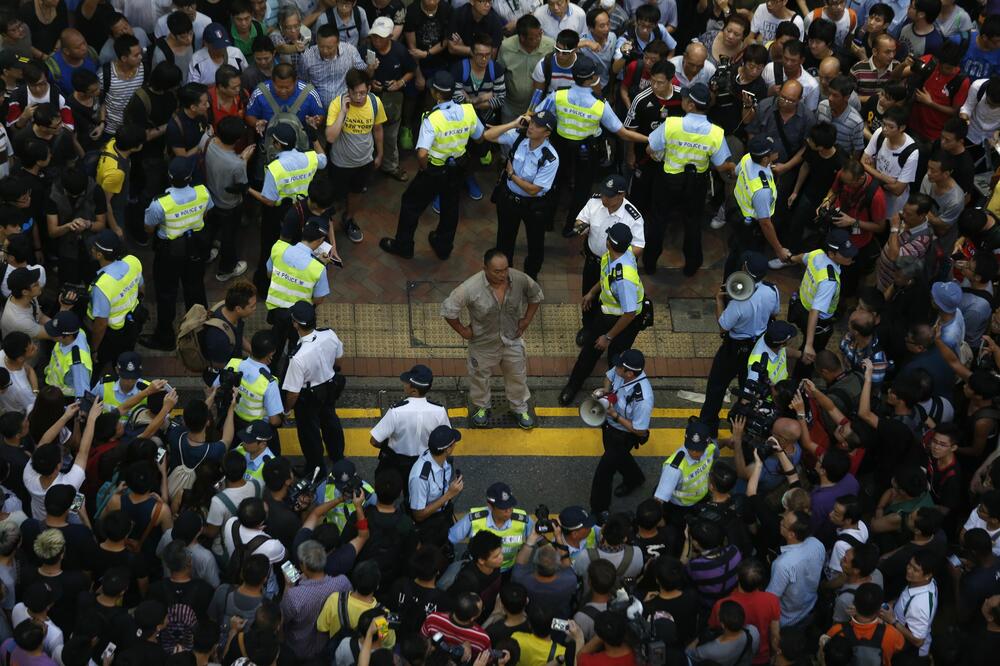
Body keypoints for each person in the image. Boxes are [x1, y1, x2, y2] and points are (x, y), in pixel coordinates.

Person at [380, 71, 483, 261]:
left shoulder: (432, 119)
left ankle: (404, 246)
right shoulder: (468, 110)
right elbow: (479, 136)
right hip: (457, 168)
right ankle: (443, 246)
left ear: (436, 93)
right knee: (450, 207)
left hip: (434, 170)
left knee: (411, 204)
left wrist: (424, 168)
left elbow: (422, 153)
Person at [540, 58, 648, 237]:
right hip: (587, 151)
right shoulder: (599, 104)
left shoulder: (557, 95)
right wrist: (649, 139)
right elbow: (623, 133)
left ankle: (546, 222)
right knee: (582, 189)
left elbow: (539, 114)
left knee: (554, 183)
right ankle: (570, 227)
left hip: (559, 147)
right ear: (592, 78)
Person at [441, 248, 543, 429]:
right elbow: (449, 309)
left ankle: (519, 408)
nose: (503, 275)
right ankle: (482, 407)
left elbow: (536, 295)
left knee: (517, 376)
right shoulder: (470, 288)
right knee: (479, 377)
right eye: (497, 271)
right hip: (482, 343)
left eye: (505, 269)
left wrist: (527, 320)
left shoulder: (519, 279)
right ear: (485, 269)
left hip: (512, 340)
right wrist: (463, 331)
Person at [647, 80, 732, 276]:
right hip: (696, 184)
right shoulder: (716, 133)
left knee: (658, 221)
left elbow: (650, 148)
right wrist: (731, 166)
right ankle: (692, 265)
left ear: (691, 105)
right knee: (693, 224)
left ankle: (650, 262)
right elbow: (721, 164)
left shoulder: (671, 124)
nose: (682, 100)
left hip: (668, 181)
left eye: (685, 98)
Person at [558, 223, 646, 407]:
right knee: (589, 352)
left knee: (617, 359)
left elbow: (629, 314)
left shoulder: (625, 279)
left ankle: (612, 393)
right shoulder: (616, 255)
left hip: (625, 323)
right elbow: (607, 277)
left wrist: (608, 337)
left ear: (609, 242)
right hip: (607, 314)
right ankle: (573, 386)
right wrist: (592, 292)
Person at [701, 253, 780, 437]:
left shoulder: (739, 302)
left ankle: (708, 427)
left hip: (734, 348)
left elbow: (723, 326)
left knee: (716, 387)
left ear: (744, 268)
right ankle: (741, 426)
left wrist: (719, 300)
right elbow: (775, 312)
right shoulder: (772, 290)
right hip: (757, 347)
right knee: (748, 389)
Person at [139, 156, 211, 351]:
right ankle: (201, 333)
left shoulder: (160, 203)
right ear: (190, 177)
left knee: (166, 294)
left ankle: (165, 338)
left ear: (169, 177)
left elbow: (149, 228)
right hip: (195, 248)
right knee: (195, 289)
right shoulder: (203, 192)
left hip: (168, 253)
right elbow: (205, 214)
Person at [482, 111, 558, 280]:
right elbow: (487, 135)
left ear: (547, 133)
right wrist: (513, 124)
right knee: (504, 241)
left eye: (538, 126)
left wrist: (511, 175)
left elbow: (533, 190)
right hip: (509, 200)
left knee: (535, 245)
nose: (532, 127)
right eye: (533, 122)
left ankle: (530, 277)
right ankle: (504, 275)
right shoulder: (519, 137)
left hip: (534, 206)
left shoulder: (550, 158)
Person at [281, 300, 345, 476]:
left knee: (309, 434)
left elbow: (293, 393)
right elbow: (339, 358)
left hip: (309, 397)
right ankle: (337, 455)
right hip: (330, 386)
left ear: (296, 324)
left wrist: (287, 410)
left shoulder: (298, 357)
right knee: (330, 420)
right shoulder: (329, 334)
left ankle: (316, 469)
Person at [787, 229, 858, 380]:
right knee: (811, 352)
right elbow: (815, 311)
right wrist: (809, 344)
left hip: (800, 305)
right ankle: (800, 378)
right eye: (845, 254)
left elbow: (802, 257)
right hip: (815, 321)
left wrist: (790, 258)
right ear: (831, 254)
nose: (850, 257)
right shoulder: (829, 281)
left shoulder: (817, 254)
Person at [588, 349, 653, 512]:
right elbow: (608, 377)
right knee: (620, 458)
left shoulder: (643, 399)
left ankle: (599, 510)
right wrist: (606, 391)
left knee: (603, 472)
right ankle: (634, 478)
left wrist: (615, 415)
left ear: (629, 373)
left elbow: (640, 431)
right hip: (609, 426)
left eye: (619, 367)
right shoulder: (621, 370)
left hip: (623, 435)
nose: (615, 368)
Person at [325, 68, 383, 245]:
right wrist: (343, 112)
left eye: (362, 93)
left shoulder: (375, 103)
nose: (358, 97)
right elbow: (330, 137)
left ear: (369, 89)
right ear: (348, 90)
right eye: (354, 93)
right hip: (340, 163)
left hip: (364, 161)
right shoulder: (337, 104)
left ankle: (349, 219)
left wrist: (380, 153)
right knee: (333, 197)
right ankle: (326, 227)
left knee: (356, 192)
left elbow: (378, 129)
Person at [724, 135, 786, 276]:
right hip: (750, 227)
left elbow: (735, 173)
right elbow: (765, 223)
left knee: (737, 246)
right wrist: (779, 250)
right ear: (764, 159)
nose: (777, 152)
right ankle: (735, 283)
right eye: (773, 151)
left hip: (737, 210)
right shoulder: (762, 190)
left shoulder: (748, 158)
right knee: (744, 258)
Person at [449, 481, 531, 573]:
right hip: (479, 571)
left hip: (507, 569)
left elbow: (539, 539)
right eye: (503, 507)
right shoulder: (474, 519)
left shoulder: (522, 520)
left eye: (510, 505)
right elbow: (450, 539)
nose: (509, 511)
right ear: (490, 506)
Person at [767, 509, 825, 628]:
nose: (780, 522)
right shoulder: (817, 544)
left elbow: (772, 598)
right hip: (811, 605)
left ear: (791, 535)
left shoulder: (782, 564)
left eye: (783, 523)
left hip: (788, 619)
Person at [654, 419, 717, 527]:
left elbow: (717, 448)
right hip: (681, 508)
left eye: (699, 449)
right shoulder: (674, 468)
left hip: (702, 499)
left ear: (708, 443)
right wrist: (659, 520)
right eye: (691, 448)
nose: (694, 453)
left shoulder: (710, 448)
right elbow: (658, 500)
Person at [408, 425, 463, 548]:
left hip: (443, 515)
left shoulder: (444, 462)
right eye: (453, 444)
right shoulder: (420, 478)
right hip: (429, 525)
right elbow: (418, 515)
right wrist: (449, 494)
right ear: (447, 450)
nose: (455, 445)